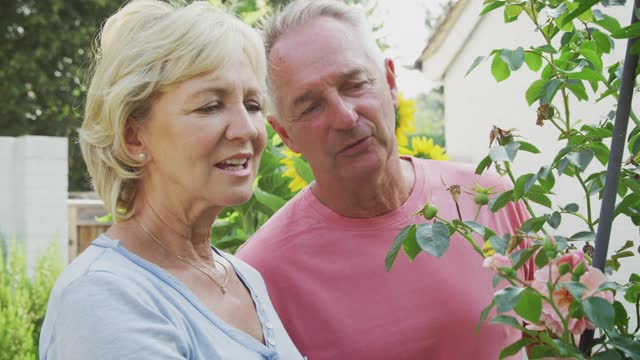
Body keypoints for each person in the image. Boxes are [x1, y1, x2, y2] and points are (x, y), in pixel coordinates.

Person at [237, 1, 532, 359]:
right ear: (285, 135)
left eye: (355, 84)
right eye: (311, 106)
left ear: (391, 83)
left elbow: (556, 344)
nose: (345, 117)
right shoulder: (261, 275)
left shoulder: (491, 200)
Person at [39, 1, 304, 359]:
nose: (247, 129)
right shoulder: (104, 295)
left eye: (253, 104)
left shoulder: (243, 278)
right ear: (134, 137)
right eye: (210, 106)